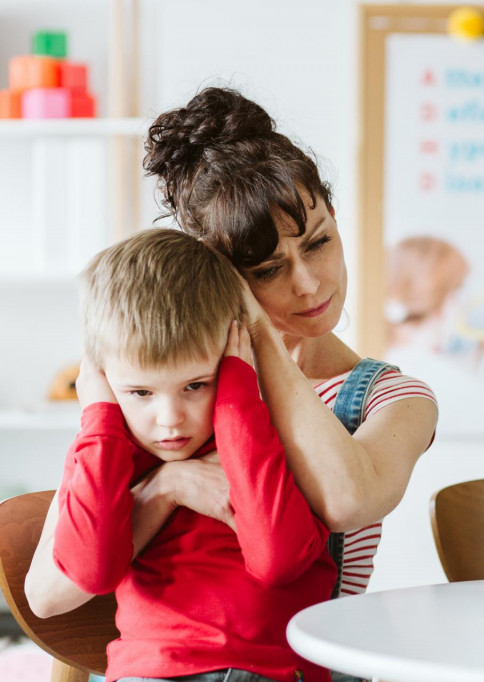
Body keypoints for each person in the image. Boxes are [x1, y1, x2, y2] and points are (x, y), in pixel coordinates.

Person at [26, 87, 437, 663]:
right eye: (268, 269)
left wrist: (259, 333)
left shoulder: (390, 398)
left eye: (319, 244)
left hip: (305, 668)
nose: (310, 284)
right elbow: (49, 592)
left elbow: (348, 501)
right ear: (222, 268)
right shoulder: (169, 394)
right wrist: (167, 488)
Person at [44, 228, 336, 682]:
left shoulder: (275, 432)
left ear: (232, 358)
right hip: (154, 672)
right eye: (140, 392)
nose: (169, 419)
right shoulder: (105, 447)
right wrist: (100, 417)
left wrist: (238, 401)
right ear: (100, 377)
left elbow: (278, 561)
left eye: (195, 385)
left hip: (273, 672)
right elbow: (92, 571)